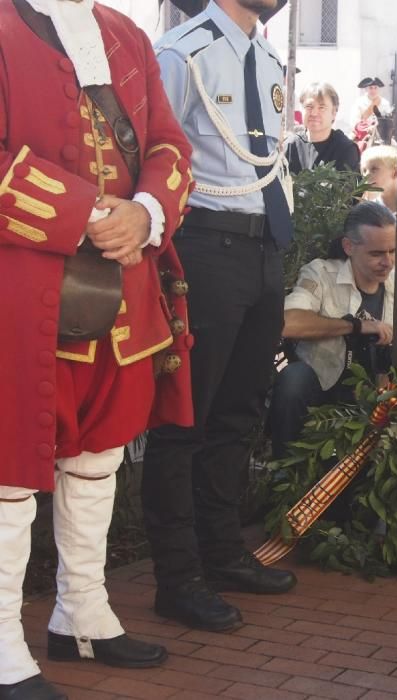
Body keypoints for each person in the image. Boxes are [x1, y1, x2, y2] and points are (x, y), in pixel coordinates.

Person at [0, 0, 195, 695]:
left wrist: (145, 212)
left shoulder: (124, 32)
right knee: (10, 469)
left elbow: (170, 143)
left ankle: (82, 614)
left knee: (97, 457)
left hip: (123, 286)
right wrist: (83, 212)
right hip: (21, 289)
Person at [143, 0, 298, 635]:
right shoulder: (182, 52)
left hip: (262, 249)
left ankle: (222, 551)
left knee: (238, 413)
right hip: (205, 247)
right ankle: (177, 580)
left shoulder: (266, 57)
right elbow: (152, 158)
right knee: (185, 417)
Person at [269, 201, 395, 458]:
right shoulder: (321, 273)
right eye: (376, 253)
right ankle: (283, 473)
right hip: (323, 393)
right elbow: (287, 322)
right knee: (294, 379)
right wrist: (354, 326)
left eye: (393, 251)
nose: (388, 262)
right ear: (348, 247)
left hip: (378, 399)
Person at [286, 82, 360, 173]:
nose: (314, 113)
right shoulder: (290, 145)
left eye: (322, 107)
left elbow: (348, 186)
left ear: (334, 112)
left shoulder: (346, 149)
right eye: (309, 107)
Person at [361, 145, 397, 214]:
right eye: (364, 170)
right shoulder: (367, 211)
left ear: (395, 172)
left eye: (374, 169)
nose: (366, 175)